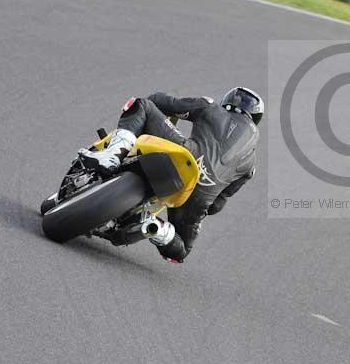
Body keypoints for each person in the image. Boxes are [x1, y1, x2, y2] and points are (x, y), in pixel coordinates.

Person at [78, 88, 263, 263]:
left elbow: (160, 101)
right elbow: (217, 205)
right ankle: (155, 228)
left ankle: (112, 156)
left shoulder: (210, 106)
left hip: (185, 156)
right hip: (199, 196)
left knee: (141, 105)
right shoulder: (251, 164)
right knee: (181, 250)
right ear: (255, 118)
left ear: (227, 102)